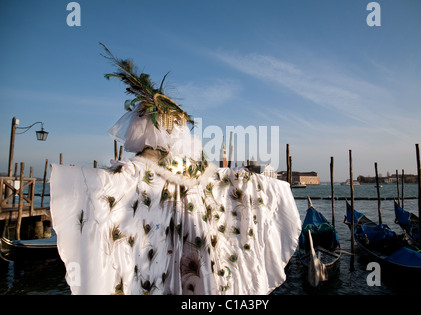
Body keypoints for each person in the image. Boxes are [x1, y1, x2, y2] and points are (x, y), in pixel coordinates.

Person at [50, 44, 301, 295]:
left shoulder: (140, 169)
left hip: (158, 254)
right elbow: (233, 180)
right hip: (199, 249)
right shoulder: (199, 170)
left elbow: (108, 188)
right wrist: (276, 187)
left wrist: (68, 180)